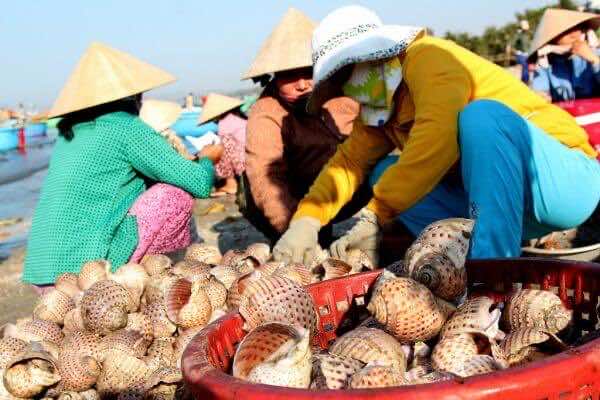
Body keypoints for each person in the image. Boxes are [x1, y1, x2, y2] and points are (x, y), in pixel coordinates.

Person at [273, 6, 600, 265]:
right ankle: (467, 255)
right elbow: (348, 163)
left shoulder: (430, 58)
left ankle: (492, 268)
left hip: (564, 182)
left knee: (480, 116)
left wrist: (376, 213)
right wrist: (307, 220)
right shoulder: (379, 107)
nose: (346, 84)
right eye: (339, 77)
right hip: (508, 207)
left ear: (377, 54)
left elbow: (438, 133)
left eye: (347, 70)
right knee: (381, 172)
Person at [23, 42, 218, 285]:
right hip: (88, 274)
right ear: (134, 96)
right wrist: (209, 159)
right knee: (174, 195)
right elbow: (199, 183)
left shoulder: (68, 134)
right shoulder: (124, 127)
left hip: (42, 274)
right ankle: (156, 277)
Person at [241, 8, 364, 245]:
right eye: (289, 75)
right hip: (291, 198)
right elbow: (267, 180)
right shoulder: (266, 113)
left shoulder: (343, 92)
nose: (302, 84)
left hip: (343, 188)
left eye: (309, 72)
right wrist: (296, 229)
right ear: (274, 78)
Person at [531, 8, 600, 102]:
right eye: (566, 31)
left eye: (577, 28)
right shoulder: (545, 63)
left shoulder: (595, 54)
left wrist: (594, 60)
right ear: (553, 38)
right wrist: (542, 97)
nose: (574, 35)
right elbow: (539, 95)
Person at [198, 93, 247, 196]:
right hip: (249, 157)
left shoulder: (224, 123)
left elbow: (227, 148)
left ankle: (231, 183)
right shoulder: (239, 119)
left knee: (218, 150)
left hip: (243, 162)